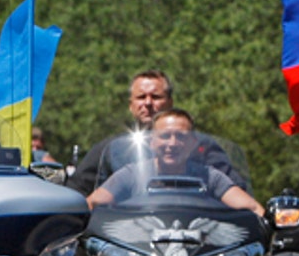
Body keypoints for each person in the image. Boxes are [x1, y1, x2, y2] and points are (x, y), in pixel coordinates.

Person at [67, 69, 248, 196]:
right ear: (131, 105)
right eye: (140, 97)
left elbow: (234, 189)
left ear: (170, 102)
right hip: (125, 240)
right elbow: (77, 193)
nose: (147, 102)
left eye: (156, 97)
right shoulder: (110, 149)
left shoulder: (200, 145)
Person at [87, 109, 264, 215]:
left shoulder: (209, 176)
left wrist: (274, 223)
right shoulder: (132, 174)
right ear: (152, 143)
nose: (172, 144)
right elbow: (92, 203)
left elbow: (252, 207)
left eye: (181, 137)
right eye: (165, 136)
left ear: (193, 143)